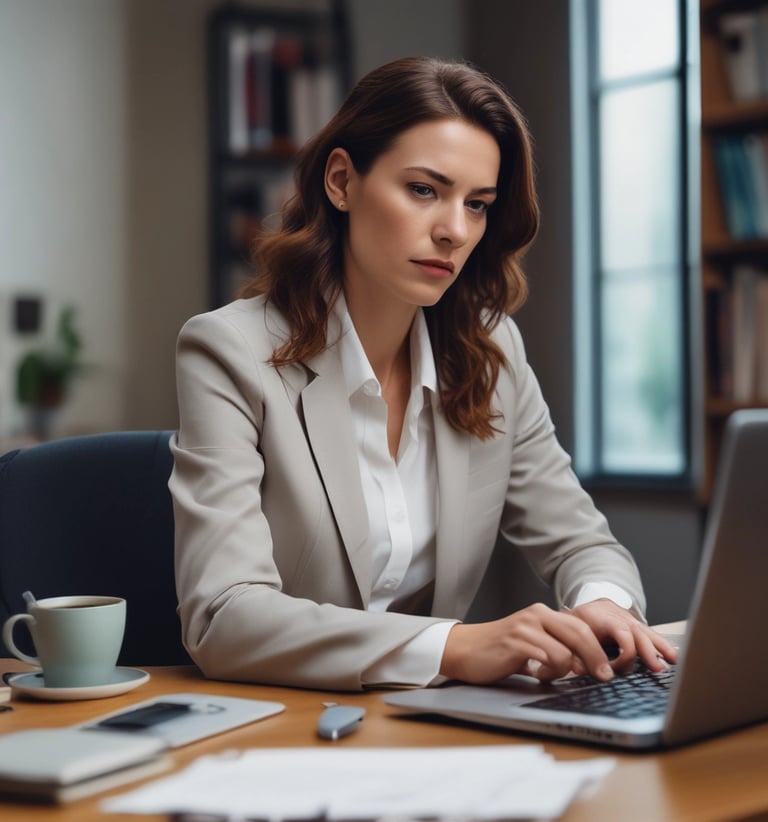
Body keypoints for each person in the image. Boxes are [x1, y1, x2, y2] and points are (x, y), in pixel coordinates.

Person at [169, 56, 677, 691]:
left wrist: (603, 605)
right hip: (288, 730)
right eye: (424, 190)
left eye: (478, 204)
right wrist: (454, 648)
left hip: (434, 731)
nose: (454, 231)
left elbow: (584, 544)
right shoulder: (230, 351)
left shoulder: (492, 353)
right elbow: (224, 616)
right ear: (341, 182)